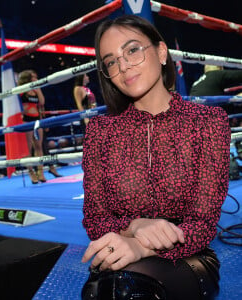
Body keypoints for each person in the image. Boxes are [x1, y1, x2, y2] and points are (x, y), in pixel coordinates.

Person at [81, 15, 230, 300]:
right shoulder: (100, 132)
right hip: (121, 251)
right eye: (111, 61)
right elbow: (95, 218)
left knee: (126, 291)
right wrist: (134, 226)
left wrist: (141, 247)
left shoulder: (209, 122)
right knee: (101, 291)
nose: (123, 66)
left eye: (132, 50)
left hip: (189, 258)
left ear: (161, 52)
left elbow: (202, 223)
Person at [18, 69, 46, 183]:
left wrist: (38, 89)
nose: (35, 79)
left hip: (37, 120)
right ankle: (31, 173)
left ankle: (41, 172)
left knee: (39, 147)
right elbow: (17, 106)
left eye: (35, 77)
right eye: (33, 77)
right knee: (28, 149)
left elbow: (42, 102)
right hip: (26, 120)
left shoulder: (36, 90)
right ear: (27, 79)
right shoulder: (21, 91)